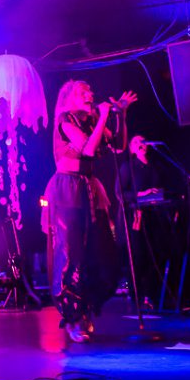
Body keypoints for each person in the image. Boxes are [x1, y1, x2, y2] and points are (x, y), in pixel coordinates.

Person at [43, 80, 136, 343]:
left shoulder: (93, 120)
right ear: (70, 98)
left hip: (88, 188)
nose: (90, 94)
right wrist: (104, 114)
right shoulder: (65, 120)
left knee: (99, 250)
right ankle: (74, 316)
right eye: (82, 92)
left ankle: (87, 308)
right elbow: (88, 148)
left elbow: (118, 145)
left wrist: (121, 115)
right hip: (67, 189)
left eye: (90, 91)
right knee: (71, 254)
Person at [116, 134, 170, 309]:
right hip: (135, 218)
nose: (141, 143)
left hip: (154, 216)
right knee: (138, 256)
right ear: (132, 149)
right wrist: (141, 194)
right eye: (136, 142)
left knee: (155, 254)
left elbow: (165, 187)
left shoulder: (156, 167)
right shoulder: (128, 167)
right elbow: (119, 192)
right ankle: (137, 296)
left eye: (143, 140)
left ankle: (152, 295)